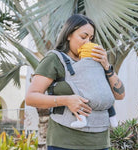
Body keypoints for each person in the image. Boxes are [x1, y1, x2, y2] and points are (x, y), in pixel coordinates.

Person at [25, 14, 125, 150]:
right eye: (83, 37)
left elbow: (119, 95)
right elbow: (31, 97)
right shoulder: (54, 59)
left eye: (91, 39)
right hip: (65, 142)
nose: (87, 43)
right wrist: (66, 100)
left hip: (100, 143)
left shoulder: (97, 63)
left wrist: (107, 66)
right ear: (68, 35)